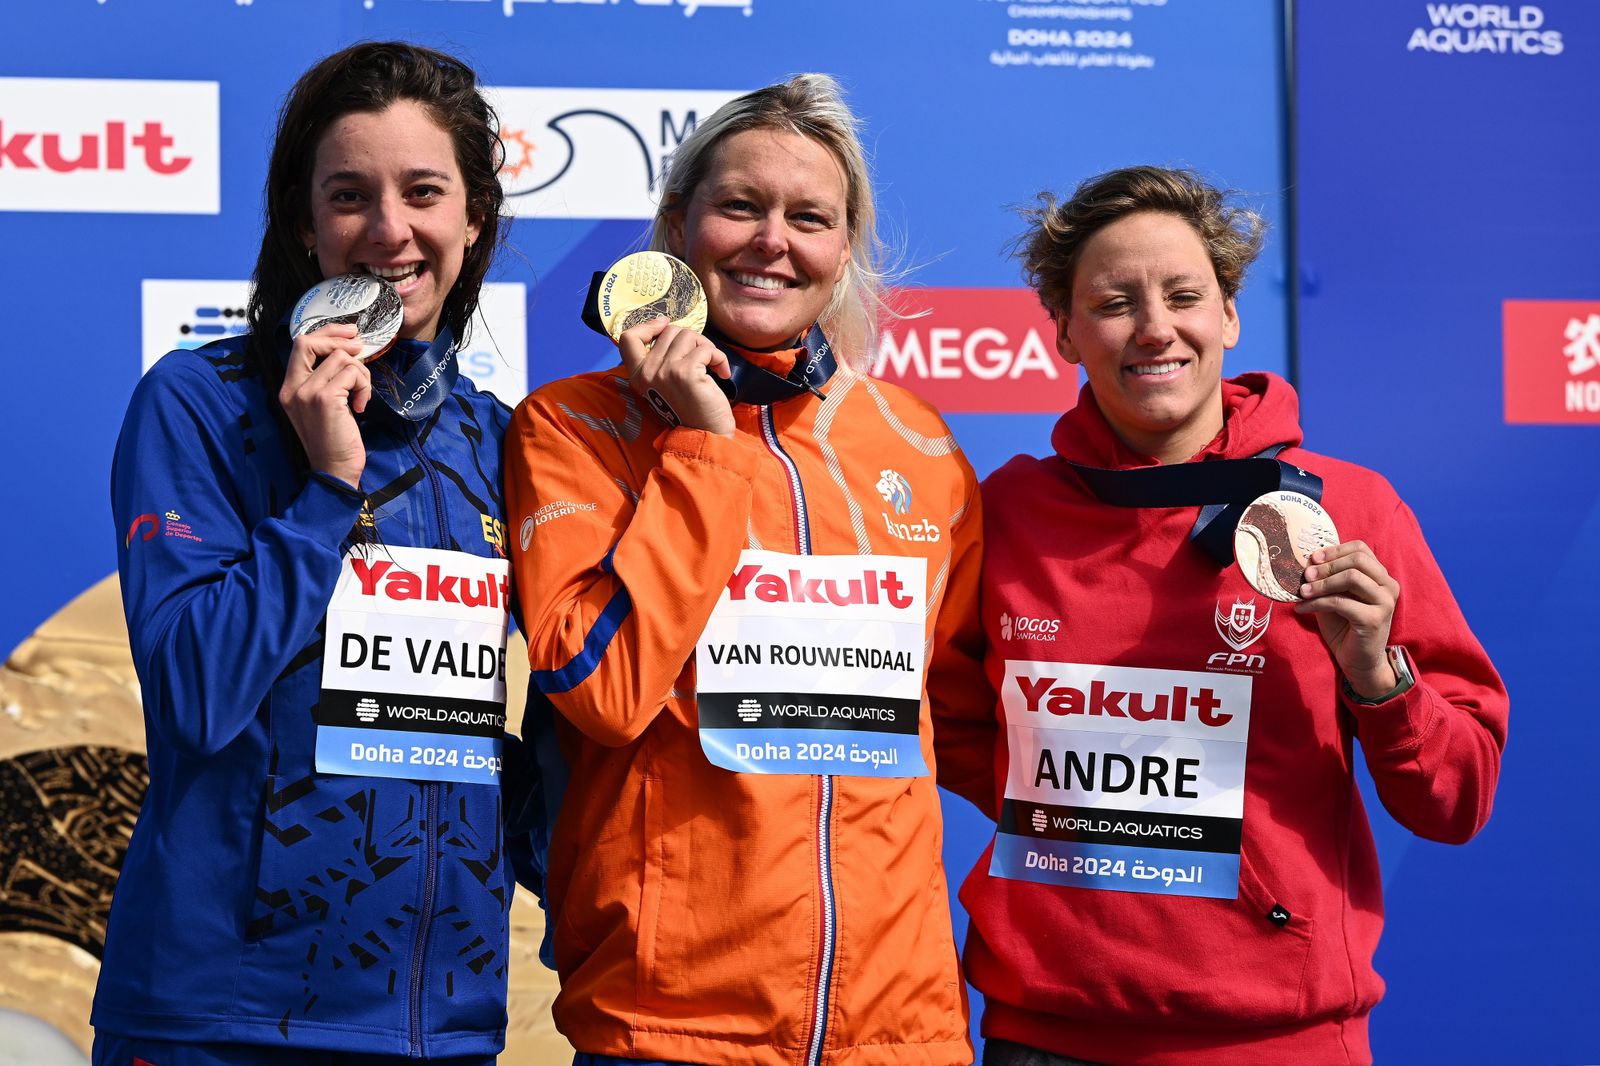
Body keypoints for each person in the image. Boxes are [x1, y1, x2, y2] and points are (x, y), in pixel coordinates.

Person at [934, 165, 1509, 1066]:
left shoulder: (1347, 511)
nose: (1155, 327)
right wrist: (1072, 829)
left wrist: (1377, 678)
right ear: (1064, 334)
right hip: (1046, 1035)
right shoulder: (1007, 511)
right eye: (1115, 301)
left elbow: (1458, 798)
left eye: (1184, 295)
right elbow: (947, 712)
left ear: (1230, 316)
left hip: (1281, 1037)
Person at [504, 74, 991, 1066]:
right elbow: (602, 689)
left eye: (809, 216)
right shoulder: (573, 426)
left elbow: (972, 722)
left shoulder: (916, 446)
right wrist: (706, 446)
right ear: (676, 227)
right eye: (740, 206)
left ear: (842, 246)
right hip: (672, 1023)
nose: (774, 240)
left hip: (901, 1027)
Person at [94, 42, 518, 1065]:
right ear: (300, 223)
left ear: (472, 219)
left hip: (439, 1024)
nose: (389, 230)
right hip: (220, 1018)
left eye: (423, 191)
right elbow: (195, 693)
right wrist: (331, 487)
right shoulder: (200, 405)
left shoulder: (501, 441)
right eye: (348, 195)